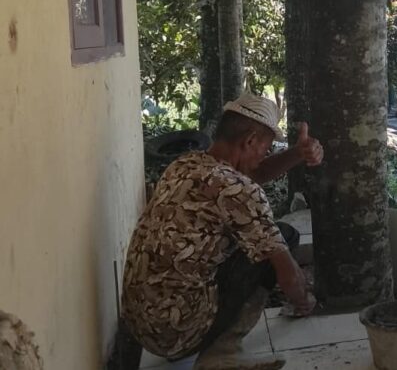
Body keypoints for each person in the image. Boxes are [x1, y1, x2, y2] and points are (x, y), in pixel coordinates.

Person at [111, 92, 324, 370]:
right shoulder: (240, 191)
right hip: (177, 334)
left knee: (256, 237)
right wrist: (304, 299)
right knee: (278, 241)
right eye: (265, 148)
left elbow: (249, 176)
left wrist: (296, 154)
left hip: (137, 323)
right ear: (249, 141)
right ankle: (222, 353)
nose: (264, 156)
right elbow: (288, 277)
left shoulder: (183, 165)